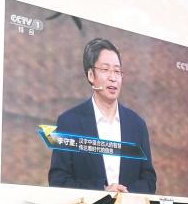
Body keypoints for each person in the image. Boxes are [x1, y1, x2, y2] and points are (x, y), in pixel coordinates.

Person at [47, 38, 156, 193]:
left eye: (117, 71)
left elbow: (149, 179)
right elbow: (58, 180)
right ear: (91, 75)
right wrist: (102, 191)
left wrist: (126, 193)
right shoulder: (69, 122)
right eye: (105, 70)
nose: (113, 78)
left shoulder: (137, 125)